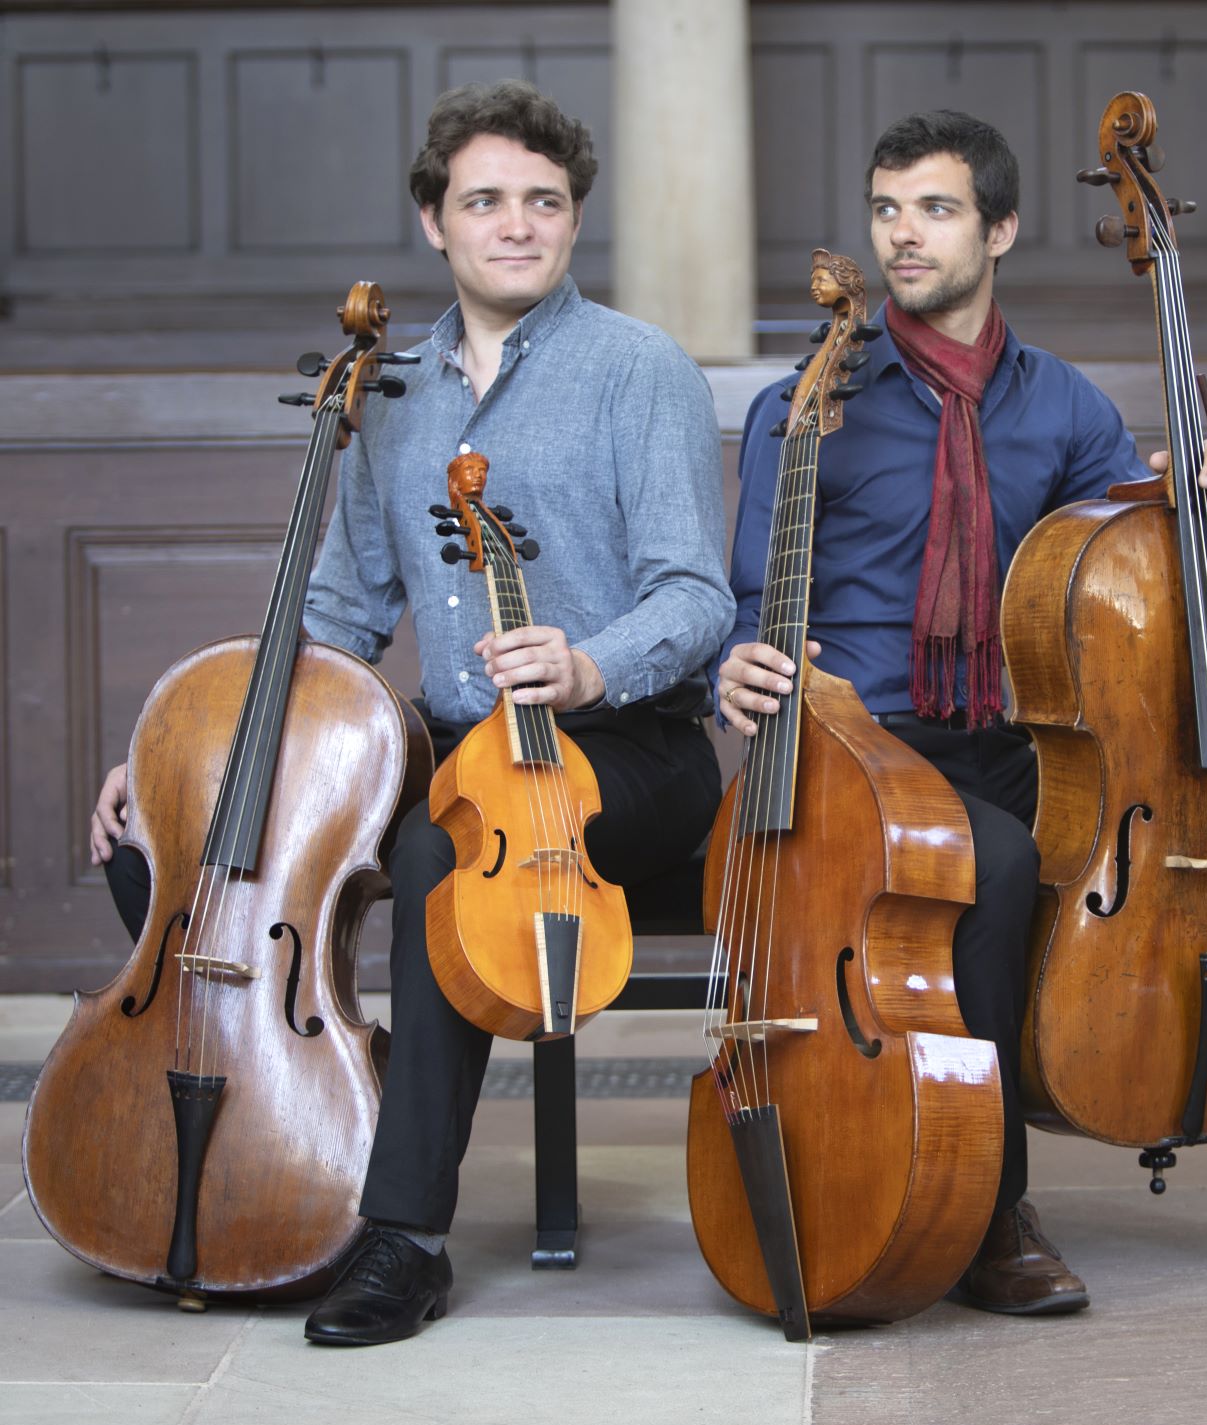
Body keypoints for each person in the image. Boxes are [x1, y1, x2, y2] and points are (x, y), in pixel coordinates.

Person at [717, 109, 1207, 1315]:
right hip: (862, 747)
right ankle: (988, 1211)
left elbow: (1125, 555)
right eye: (886, 209)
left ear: (998, 228)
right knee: (995, 862)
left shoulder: (1058, 406)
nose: (902, 235)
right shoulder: (811, 401)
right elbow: (749, 608)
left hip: (1010, 738)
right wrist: (736, 667)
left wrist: (1200, 491)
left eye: (934, 208)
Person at [90, 79, 735, 1345]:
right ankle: (297, 1103)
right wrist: (187, 757)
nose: (516, 224)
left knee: (440, 857)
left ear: (573, 218)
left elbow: (694, 595)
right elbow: (338, 612)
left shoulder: (637, 368)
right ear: (435, 221)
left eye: (542, 201)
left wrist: (587, 664)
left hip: (625, 746)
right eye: (484, 201)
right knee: (178, 846)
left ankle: (402, 1239)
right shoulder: (389, 391)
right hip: (453, 745)